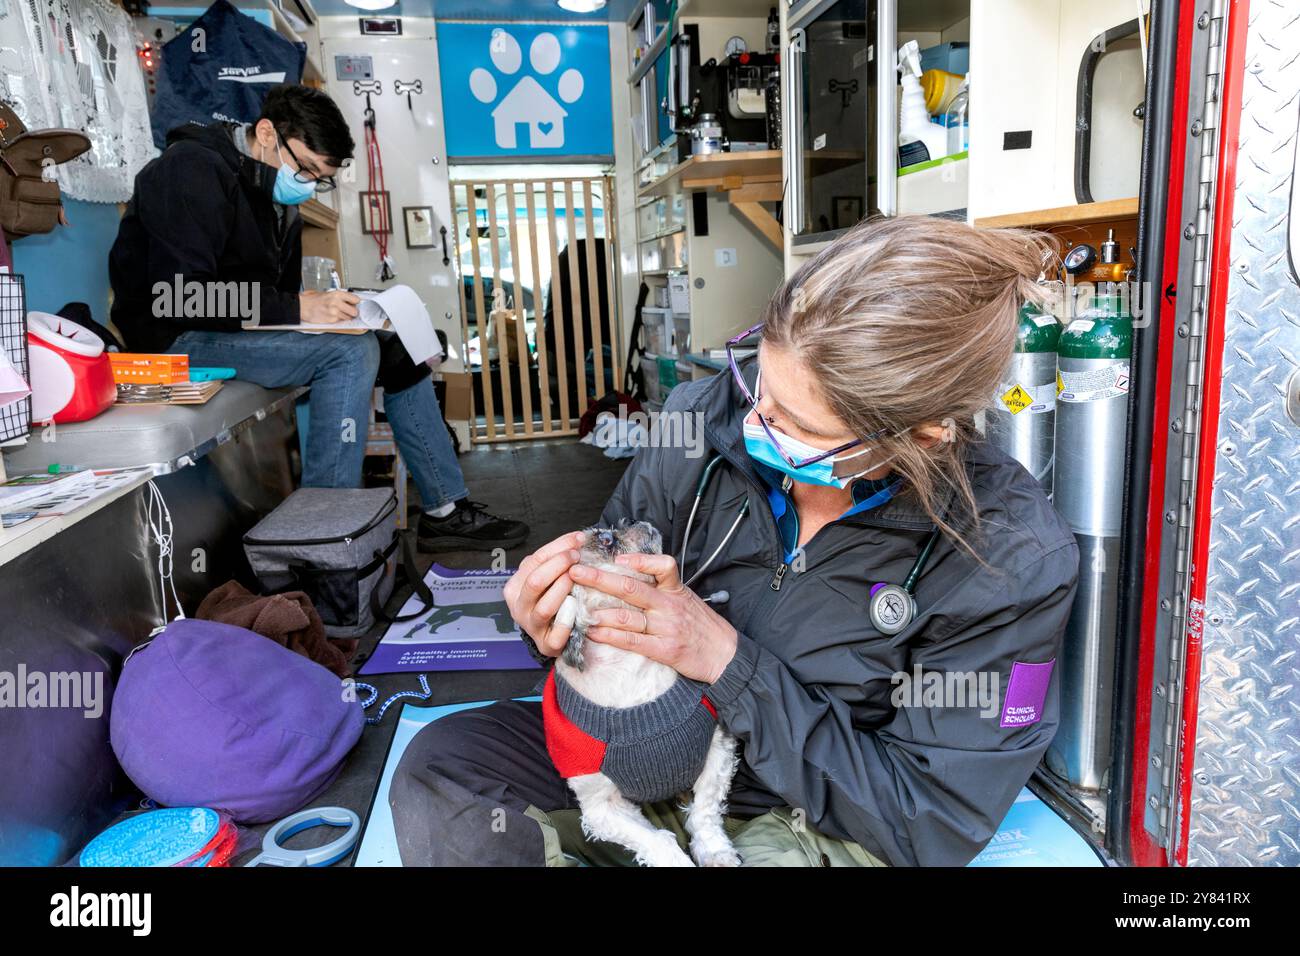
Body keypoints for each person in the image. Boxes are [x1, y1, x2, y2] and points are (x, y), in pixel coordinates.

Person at [388, 215, 1081, 866]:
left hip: (803, 810)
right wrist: (549, 622)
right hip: (640, 747)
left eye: (798, 423)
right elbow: (600, 607)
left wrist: (728, 660)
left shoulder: (1008, 557)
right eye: (760, 383)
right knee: (443, 769)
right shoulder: (703, 422)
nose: (755, 418)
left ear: (925, 432)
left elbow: (927, 816)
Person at [108, 84, 528, 553]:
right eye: (305, 168)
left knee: (399, 345)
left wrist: (337, 308)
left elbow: (282, 296)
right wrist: (300, 309)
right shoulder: (189, 170)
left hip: (233, 330)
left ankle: (444, 510)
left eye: (319, 177)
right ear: (266, 133)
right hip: (176, 340)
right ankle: (323, 534)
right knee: (348, 352)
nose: (307, 183)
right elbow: (179, 296)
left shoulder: (276, 198)